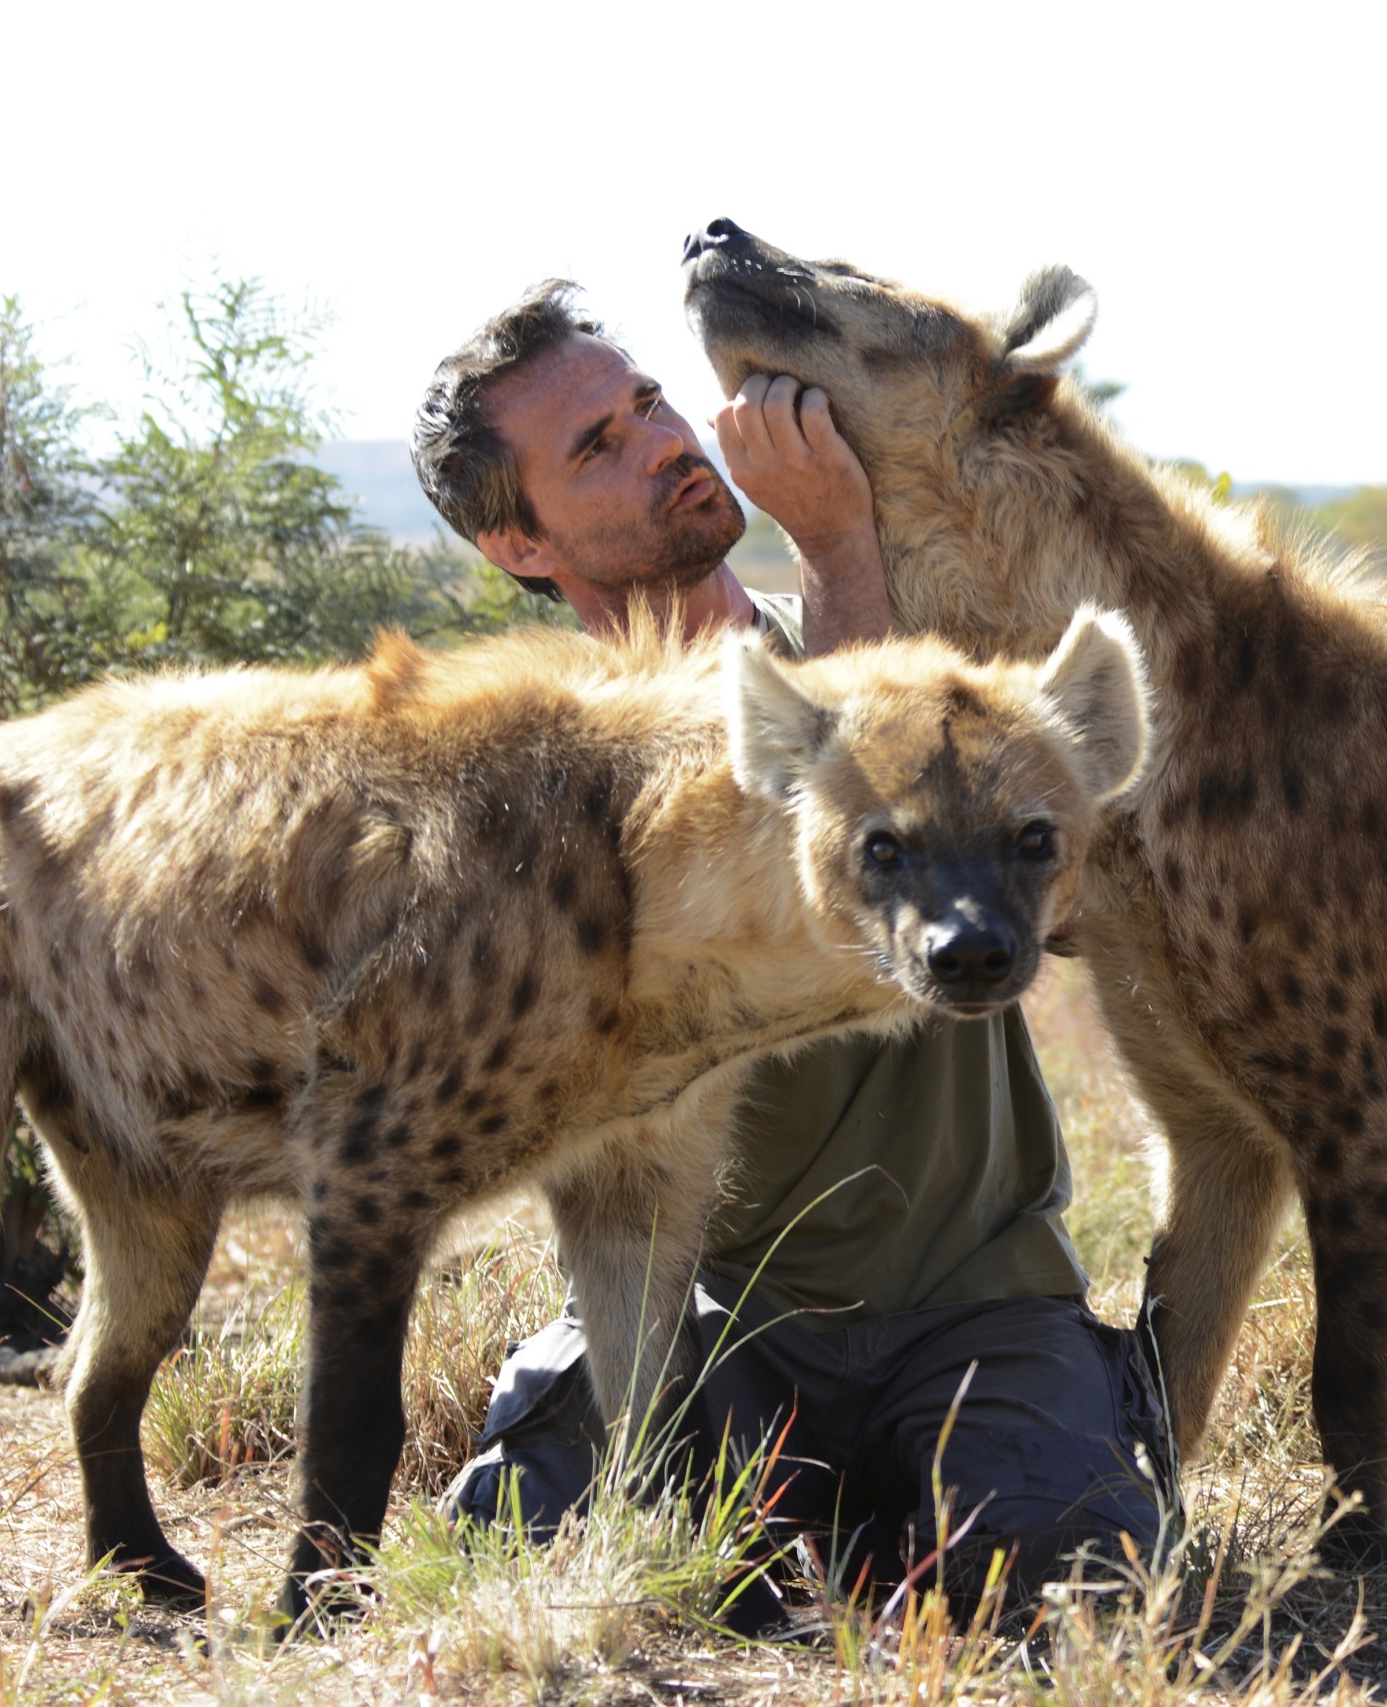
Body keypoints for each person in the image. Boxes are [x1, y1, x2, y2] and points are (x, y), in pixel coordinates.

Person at [408, 280, 1167, 1626]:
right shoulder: (553, 775)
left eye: (646, 404)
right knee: (518, 1539)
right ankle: (850, 1519)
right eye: (597, 448)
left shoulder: (924, 667)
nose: (665, 443)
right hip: (716, 1315)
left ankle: (948, 1483)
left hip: (973, 1302)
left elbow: (899, 782)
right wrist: (839, 550)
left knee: (1075, 1581)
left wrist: (844, 559)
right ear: (521, 546)